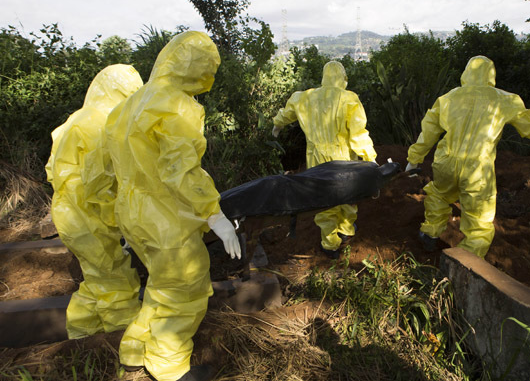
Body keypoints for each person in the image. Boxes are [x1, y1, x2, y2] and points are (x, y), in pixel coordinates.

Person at [105, 31, 241, 381]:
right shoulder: (175, 104)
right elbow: (180, 169)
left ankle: (134, 349)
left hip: (132, 212)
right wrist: (215, 214)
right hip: (164, 217)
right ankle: (169, 368)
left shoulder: (129, 104)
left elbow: (113, 165)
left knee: (159, 283)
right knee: (185, 286)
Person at [405, 56, 530, 258]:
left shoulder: (448, 98)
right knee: (479, 223)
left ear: (466, 73)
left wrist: (414, 159)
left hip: (445, 162)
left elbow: (428, 132)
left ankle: (429, 233)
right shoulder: (504, 99)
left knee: (439, 194)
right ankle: (464, 264)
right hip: (477, 168)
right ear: (491, 75)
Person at [46, 64, 143, 340]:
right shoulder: (100, 126)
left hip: (69, 214)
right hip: (90, 220)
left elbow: (53, 169)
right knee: (117, 282)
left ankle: (80, 334)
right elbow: (100, 187)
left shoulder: (77, 119)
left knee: (96, 278)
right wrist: (122, 224)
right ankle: (127, 348)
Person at [272, 60, 377, 258]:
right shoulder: (349, 99)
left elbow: (286, 114)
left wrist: (277, 125)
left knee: (323, 199)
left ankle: (330, 245)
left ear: (323, 77)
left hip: (317, 158)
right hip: (345, 157)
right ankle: (346, 231)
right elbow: (358, 134)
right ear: (343, 79)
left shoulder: (305, 97)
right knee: (349, 194)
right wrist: (370, 159)